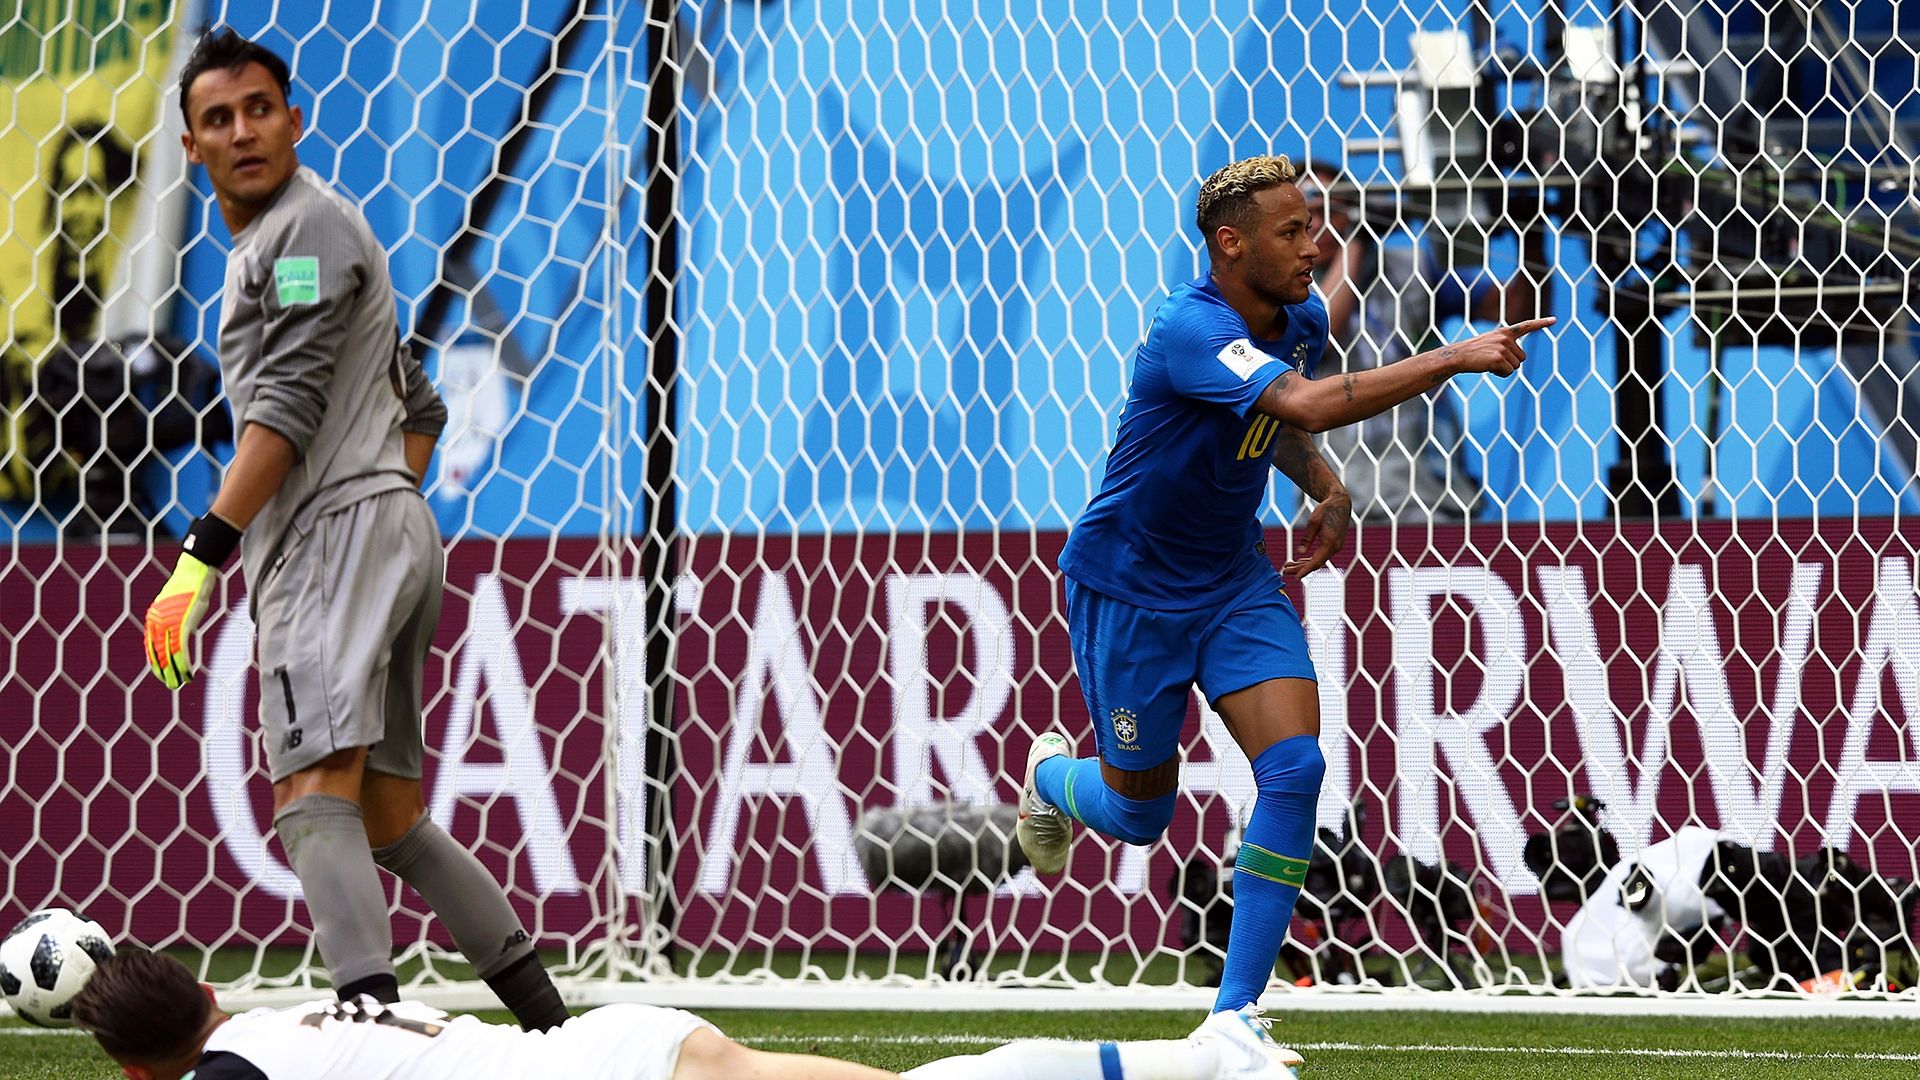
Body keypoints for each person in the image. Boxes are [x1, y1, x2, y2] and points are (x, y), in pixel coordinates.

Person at [1017, 154, 1553, 1057]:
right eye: (1294, 231)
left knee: (1296, 769)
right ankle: (1051, 780)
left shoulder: (1297, 316)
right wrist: (1456, 357)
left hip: (1232, 583)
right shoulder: (1191, 327)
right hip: (1132, 592)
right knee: (1140, 818)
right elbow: (1300, 399)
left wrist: (1326, 484)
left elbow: (1273, 424)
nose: (1317, 243)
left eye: (1315, 224)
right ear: (1231, 245)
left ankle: (1233, 1016)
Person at [137, 30, 566, 1031]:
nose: (242, 130)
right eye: (218, 118)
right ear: (192, 146)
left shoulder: (301, 235)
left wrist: (198, 559)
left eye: (258, 109)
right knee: (387, 816)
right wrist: (388, 510)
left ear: (295, 119)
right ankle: (553, 1028)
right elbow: (418, 404)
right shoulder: (296, 241)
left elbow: (285, 408)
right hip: (379, 533)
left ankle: (370, 1027)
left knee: (307, 791)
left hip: (340, 542)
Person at [71, 948, 1304, 1080]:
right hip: (611, 1042)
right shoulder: (283, 1018)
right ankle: (1196, 1055)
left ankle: (1205, 1057)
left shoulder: (238, 1076)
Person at [1303, 164, 1548, 522]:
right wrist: (1358, 238)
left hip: (1425, 494)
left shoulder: (1412, 267)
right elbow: (1319, 337)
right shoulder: (1286, 288)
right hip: (1331, 496)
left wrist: (1531, 238)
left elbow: (1520, 311)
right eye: (1306, 214)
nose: (1318, 225)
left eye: (1331, 209)